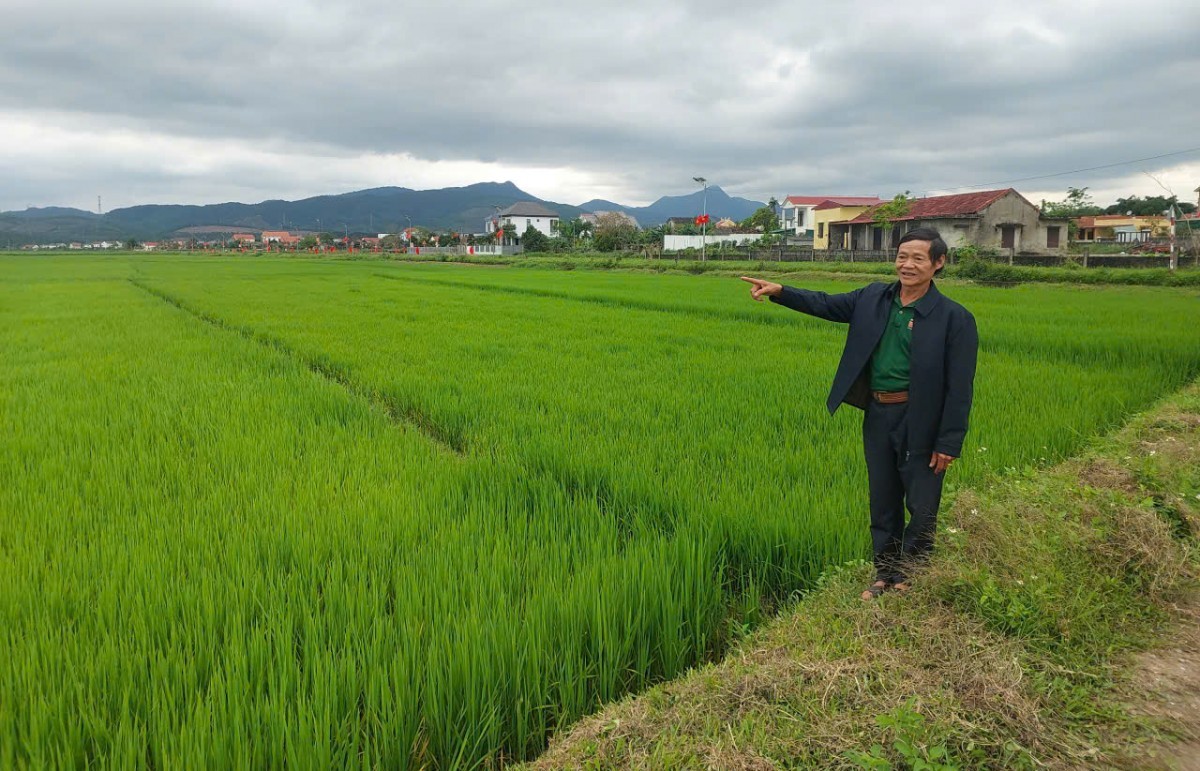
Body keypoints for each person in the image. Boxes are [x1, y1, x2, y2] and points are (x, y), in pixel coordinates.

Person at [741, 228, 978, 600]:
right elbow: (826, 303)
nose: (907, 264)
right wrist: (781, 292)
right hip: (879, 413)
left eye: (918, 258)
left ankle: (911, 574)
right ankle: (885, 572)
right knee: (882, 498)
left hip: (922, 418)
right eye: (902, 256)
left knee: (921, 502)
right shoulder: (874, 298)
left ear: (938, 263)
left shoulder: (954, 318)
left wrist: (949, 441)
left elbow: (960, 386)